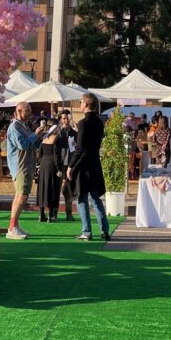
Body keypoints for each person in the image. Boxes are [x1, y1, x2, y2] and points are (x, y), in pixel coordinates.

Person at [68, 93, 110, 242]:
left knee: (82, 198)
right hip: (94, 163)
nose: (80, 104)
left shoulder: (83, 123)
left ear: (85, 104)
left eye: (81, 102)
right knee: (95, 199)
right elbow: (92, 143)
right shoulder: (99, 122)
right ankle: (105, 230)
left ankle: (86, 231)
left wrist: (70, 166)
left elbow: (80, 149)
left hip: (83, 165)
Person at [5, 102, 48, 239]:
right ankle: (12, 228)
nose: (30, 113)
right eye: (27, 110)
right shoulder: (14, 126)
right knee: (21, 196)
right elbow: (22, 145)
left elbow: (33, 144)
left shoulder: (23, 125)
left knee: (22, 196)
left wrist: (42, 136)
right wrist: (35, 134)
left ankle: (14, 226)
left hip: (27, 165)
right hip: (20, 166)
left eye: (30, 110)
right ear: (18, 111)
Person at [36, 119, 61, 222]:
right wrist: (59, 169)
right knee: (52, 188)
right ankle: (50, 215)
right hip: (52, 165)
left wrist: (41, 164)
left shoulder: (44, 138)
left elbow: (39, 155)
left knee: (42, 188)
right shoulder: (56, 138)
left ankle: (41, 214)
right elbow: (56, 156)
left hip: (43, 165)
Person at [55, 111, 77, 221]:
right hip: (60, 165)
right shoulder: (58, 133)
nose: (66, 120)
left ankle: (69, 212)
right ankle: (54, 212)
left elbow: (76, 149)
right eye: (63, 118)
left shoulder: (75, 133)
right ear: (60, 120)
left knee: (69, 189)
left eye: (68, 118)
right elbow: (55, 151)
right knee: (56, 189)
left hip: (70, 165)